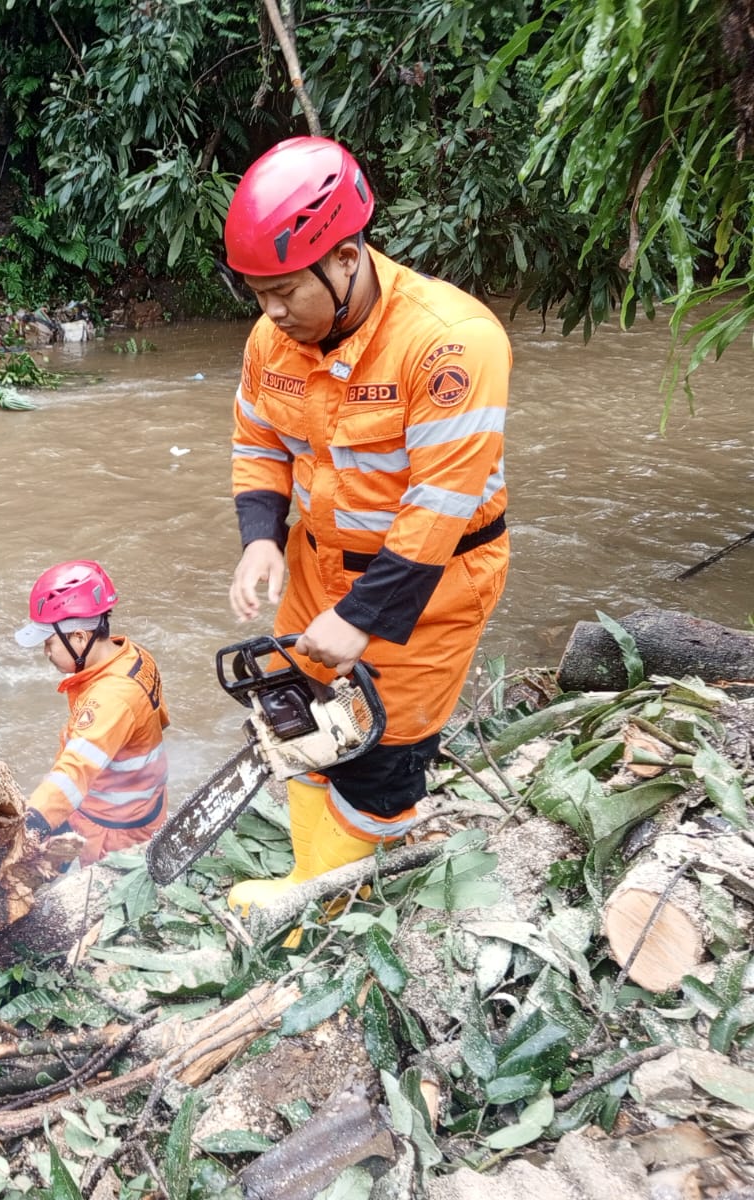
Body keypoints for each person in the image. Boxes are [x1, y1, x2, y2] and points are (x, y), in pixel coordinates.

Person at [222, 136, 511, 912]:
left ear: (345, 258)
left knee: (382, 747)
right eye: (257, 293)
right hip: (317, 563)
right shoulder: (271, 339)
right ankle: (313, 880)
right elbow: (259, 442)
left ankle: (351, 896)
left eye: (285, 291)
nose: (272, 313)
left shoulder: (451, 344)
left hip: (430, 583)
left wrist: (362, 618)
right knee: (298, 718)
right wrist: (259, 536)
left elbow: (439, 508)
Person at [14, 560, 171, 865]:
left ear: (80, 638)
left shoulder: (111, 698)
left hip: (113, 831)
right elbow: (161, 719)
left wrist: (31, 823)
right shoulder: (133, 656)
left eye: (49, 643)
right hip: (145, 805)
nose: (46, 654)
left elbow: (75, 773)